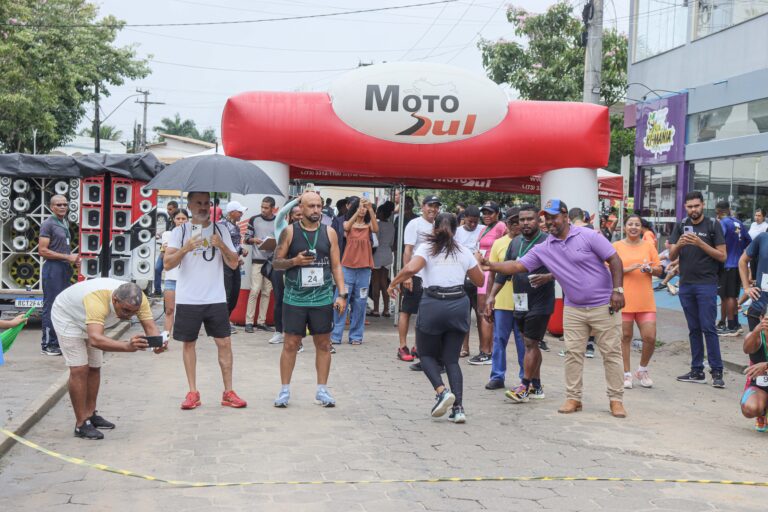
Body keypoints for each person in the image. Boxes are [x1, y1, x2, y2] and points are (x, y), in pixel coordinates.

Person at [483, 199, 627, 418]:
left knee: (611, 354)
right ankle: (573, 398)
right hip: (574, 308)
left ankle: (616, 400)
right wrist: (490, 265)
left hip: (603, 305)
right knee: (573, 355)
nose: (549, 222)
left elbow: (614, 259)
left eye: (553, 217)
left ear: (565, 217)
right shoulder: (545, 247)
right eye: (546, 218)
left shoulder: (587, 236)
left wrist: (617, 290)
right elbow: (517, 266)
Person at [388, 213, 484, 423]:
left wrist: (393, 282)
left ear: (434, 229)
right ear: (457, 230)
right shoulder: (464, 251)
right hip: (459, 304)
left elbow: (412, 268)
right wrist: (474, 262)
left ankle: (441, 391)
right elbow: (479, 280)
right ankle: (458, 408)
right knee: (451, 360)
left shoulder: (426, 248)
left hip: (434, 304)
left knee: (426, 355)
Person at [52, 279, 165, 440]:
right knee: (79, 369)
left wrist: (157, 344)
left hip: (93, 323)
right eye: (125, 310)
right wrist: (127, 346)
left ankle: (90, 414)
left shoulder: (139, 300)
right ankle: (81, 423)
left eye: (134, 312)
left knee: (94, 367)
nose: (129, 316)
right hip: (69, 318)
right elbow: (96, 340)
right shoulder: (97, 299)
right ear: (115, 300)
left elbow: (150, 327)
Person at [164, 191, 247, 410]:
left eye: (206, 203)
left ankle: (228, 392)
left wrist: (221, 245)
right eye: (198, 203)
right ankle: (193, 392)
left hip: (216, 297)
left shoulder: (220, 229)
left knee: (224, 343)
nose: (202, 207)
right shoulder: (179, 231)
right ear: (189, 206)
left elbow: (232, 264)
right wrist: (186, 248)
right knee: (189, 343)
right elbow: (167, 264)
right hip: (189, 298)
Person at [272, 191, 347, 408]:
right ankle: (284, 390)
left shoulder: (330, 233)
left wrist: (342, 294)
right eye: (311, 206)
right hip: (294, 298)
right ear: (301, 209)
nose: (316, 210)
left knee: (324, 344)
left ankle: (322, 390)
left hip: (322, 298)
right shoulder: (289, 232)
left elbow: (336, 266)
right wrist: (294, 261)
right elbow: (276, 263)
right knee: (291, 344)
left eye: (318, 206)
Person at [486, 204, 554, 402]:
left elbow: (563, 269)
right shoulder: (515, 242)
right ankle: (537, 386)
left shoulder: (548, 242)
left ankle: (524, 385)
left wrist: (548, 276)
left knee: (530, 343)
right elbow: (504, 272)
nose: (525, 223)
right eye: (521, 220)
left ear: (538, 221)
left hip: (541, 301)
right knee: (530, 344)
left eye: (529, 219)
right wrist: (492, 296)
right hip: (519, 300)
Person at [669, 191, 727, 388]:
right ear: (685, 207)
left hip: (707, 284)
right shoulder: (680, 225)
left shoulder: (713, 225)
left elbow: (722, 256)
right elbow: (670, 256)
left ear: (703, 205)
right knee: (693, 329)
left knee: (708, 327)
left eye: (696, 206)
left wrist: (700, 243)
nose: (693, 209)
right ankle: (696, 370)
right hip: (686, 284)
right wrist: (679, 245)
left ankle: (717, 371)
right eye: (689, 206)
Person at [613, 215, 662, 389]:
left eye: (637, 224)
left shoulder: (649, 246)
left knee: (650, 337)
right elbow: (608, 269)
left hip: (645, 300)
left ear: (642, 228)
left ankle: (642, 369)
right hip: (623, 300)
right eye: (630, 224)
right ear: (624, 227)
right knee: (625, 337)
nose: (633, 227)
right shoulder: (616, 246)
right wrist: (627, 269)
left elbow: (659, 269)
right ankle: (626, 374)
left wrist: (651, 269)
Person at [484, 210, 526, 390]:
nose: (516, 225)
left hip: (522, 298)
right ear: (506, 223)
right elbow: (492, 274)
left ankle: (526, 377)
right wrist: (488, 298)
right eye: (512, 222)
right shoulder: (498, 244)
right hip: (501, 299)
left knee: (523, 341)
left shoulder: (527, 242)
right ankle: (497, 376)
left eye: (519, 222)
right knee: (499, 339)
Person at [398, 195, 441, 365]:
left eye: (436, 206)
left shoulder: (438, 225)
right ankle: (402, 346)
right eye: (430, 205)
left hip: (431, 275)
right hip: (415, 274)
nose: (433, 209)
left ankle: (418, 346)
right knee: (407, 310)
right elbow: (407, 250)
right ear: (423, 207)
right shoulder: (414, 224)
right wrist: (406, 275)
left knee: (424, 313)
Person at [331, 196, 378, 345]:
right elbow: (346, 228)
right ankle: (335, 335)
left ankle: (356, 336)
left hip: (364, 270)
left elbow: (376, 229)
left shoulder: (369, 226)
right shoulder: (347, 223)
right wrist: (357, 212)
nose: (363, 210)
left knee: (360, 303)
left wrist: (370, 209)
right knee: (341, 300)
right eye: (360, 207)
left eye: (364, 207)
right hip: (347, 269)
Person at [39, 194, 79, 356]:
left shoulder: (64, 223)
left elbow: (63, 248)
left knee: (62, 306)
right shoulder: (48, 224)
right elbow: (42, 250)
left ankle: (57, 342)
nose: (63, 207)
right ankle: (47, 344)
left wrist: (73, 259)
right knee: (51, 306)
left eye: (65, 204)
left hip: (64, 269)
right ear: (51, 207)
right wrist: (67, 257)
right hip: (53, 269)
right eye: (59, 205)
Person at [468, 201, 507, 365]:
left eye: (490, 212)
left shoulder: (500, 227)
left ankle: (486, 352)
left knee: (485, 312)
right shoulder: (485, 229)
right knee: (482, 311)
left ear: (497, 213)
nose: (486, 215)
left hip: (491, 272)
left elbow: (505, 247)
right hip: (482, 272)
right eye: (484, 212)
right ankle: (486, 349)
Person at [267, 197, 301, 346]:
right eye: (297, 214)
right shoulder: (282, 226)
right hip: (280, 267)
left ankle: (293, 332)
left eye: (302, 214)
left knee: (295, 301)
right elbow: (281, 213)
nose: (299, 217)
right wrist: (299, 199)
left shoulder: (306, 230)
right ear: (291, 215)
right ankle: (278, 332)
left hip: (297, 268)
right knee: (280, 299)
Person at [716, 200, 751, 337]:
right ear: (729, 209)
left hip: (727, 265)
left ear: (718, 212)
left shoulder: (722, 223)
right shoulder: (739, 223)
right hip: (739, 265)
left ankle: (731, 327)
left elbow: (718, 241)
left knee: (729, 296)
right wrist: (740, 251)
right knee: (731, 296)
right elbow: (749, 241)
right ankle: (733, 323)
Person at [566, 207, 596, 359]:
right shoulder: (594, 231)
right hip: (592, 280)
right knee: (590, 313)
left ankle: (576, 347)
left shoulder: (570, 232)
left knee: (576, 314)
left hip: (573, 279)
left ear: (569, 218)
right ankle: (589, 344)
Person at [244, 196, 276, 333]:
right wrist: (253, 240)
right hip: (257, 260)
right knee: (255, 291)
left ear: (272, 208)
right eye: (262, 207)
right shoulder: (254, 219)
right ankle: (249, 322)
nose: (263, 210)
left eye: (266, 207)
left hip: (271, 261)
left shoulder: (279, 221)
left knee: (267, 292)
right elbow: (246, 238)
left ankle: (261, 322)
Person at [455, 205, 482, 358]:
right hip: (462, 276)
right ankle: (464, 347)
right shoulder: (457, 233)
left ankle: (483, 347)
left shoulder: (483, 230)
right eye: (470, 222)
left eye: (475, 222)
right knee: (464, 315)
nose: (473, 225)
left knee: (480, 313)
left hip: (479, 276)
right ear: (464, 218)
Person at [221, 200, 249, 334]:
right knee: (226, 292)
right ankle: (223, 322)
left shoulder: (236, 227)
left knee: (234, 293)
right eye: (240, 211)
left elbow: (235, 244)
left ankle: (226, 319)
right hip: (224, 264)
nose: (242, 214)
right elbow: (221, 245)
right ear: (232, 212)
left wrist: (241, 251)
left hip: (236, 263)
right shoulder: (221, 226)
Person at [161, 209, 189, 336]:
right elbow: (164, 256)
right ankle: (166, 337)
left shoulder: (193, 235)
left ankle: (184, 335)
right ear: (173, 220)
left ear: (188, 220)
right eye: (178, 218)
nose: (181, 221)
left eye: (184, 219)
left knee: (185, 310)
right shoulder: (167, 234)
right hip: (171, 277)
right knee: (169, 310)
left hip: (187, 278)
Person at [741, 311, 768, 432]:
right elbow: (746, 349)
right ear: (761, 318)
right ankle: (762, 413)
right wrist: (756, 331)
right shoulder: (756, 336)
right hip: (760, 386)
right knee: (750, 408)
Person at [370, 202, 395, 318]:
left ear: (380, 213)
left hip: (377, 254)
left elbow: (375, 241)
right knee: (384, 282)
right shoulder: (391, 225)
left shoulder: (377, 225)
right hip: (387, 254)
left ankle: (375, 309)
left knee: (376, 282)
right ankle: (386, 309)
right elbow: (391, 243)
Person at [154, 200, 179, 296]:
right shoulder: (169, 220)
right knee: (157, 269)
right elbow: (167, 233)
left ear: (176, 209)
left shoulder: (180, 223)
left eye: (170, 209)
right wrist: (160, 235)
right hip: (164, 249)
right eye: (167, 209)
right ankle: (157, 291)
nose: (168, 211)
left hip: (173, 252)